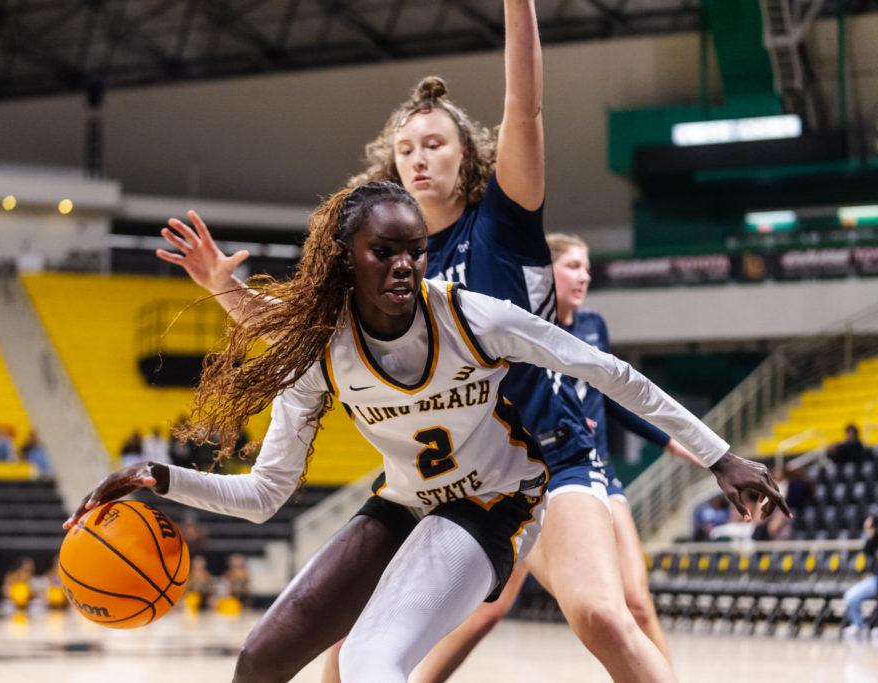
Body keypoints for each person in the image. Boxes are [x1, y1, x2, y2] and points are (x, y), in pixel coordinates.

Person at [157, 5, 788, 679]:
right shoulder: (384, 262)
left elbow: (525, 107)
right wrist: (224, 288)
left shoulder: (502, 224)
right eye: (406, 149)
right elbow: (304, 334)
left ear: (469, 154)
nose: (419, 157)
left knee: (602, 614)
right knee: (348, 656)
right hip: (442, 474)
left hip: (545, 460)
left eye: (434, 143)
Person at [72, 183, 787, 682]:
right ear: (345, 259)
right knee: (259, 662)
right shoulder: (321, 351)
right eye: (383, 250)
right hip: (407, 500)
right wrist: (157, 477)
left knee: (370, 660)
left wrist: (719, 455)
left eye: (414, 249)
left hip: (496, 502)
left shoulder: (473, 316)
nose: (404, 264)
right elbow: (265, 494)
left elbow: (608, 372)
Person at [410, 233, 704, 678]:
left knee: (637, 602)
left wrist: (666, 439)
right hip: (526, 478)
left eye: (587, 268)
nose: (584, 276)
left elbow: (610, 393)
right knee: (489, 611)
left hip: (589, 472)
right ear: (545, 272)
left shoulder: (593, 325)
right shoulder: (516, 324)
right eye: (573, 266)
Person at [842, 516, 878, 640]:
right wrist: (871, 537)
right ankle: (858, 624)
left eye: (869, 527)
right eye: (865, 528)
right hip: (874, 579)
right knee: (850, 596)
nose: (867, 530)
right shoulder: (872, 543)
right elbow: (867, 552)